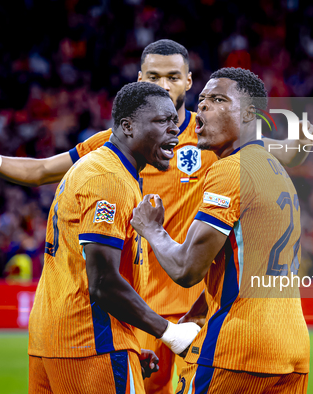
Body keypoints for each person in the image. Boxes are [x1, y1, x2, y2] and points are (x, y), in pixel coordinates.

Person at [0, 39, 313, 394]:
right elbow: (44, 169)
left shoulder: (210, 138)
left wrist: (295, 134)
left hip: (194, 305)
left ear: (189, 81)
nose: (164, 85)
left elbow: (282, 151)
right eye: (154, 77)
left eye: (173, 77)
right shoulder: (120, 139)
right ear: (140, 80)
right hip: (136, 302)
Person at [131, 67, 310, 393]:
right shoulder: (275, 170)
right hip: (292, 346)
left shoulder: (229, 170)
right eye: (201, 99)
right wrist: (197, 310)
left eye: (217, 99)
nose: (203, 107)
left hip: (237, 349)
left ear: (249, 113)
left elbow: (187, 269)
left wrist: (152, 229)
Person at [28, 82, 201, 393]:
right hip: (92, 344)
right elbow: (103, 282)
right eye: (162, 122)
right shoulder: (109, 179)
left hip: (56, 341)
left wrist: (131, 343)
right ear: (128, 126)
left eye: (174, 121)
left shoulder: (103, 169)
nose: (174, 131)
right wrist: (169, 333)